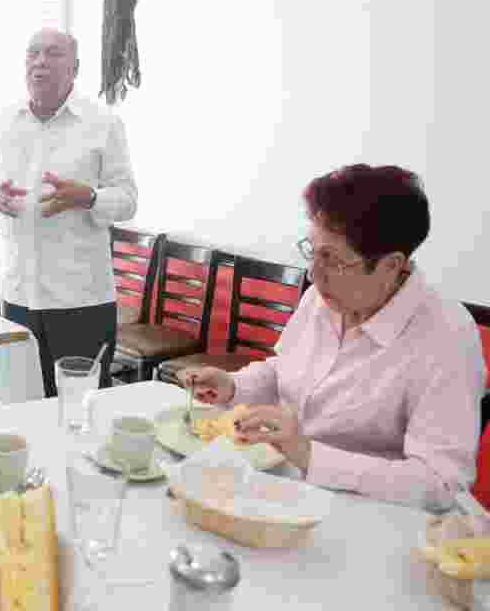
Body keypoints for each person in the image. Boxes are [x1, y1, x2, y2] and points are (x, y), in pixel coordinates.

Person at [179, 164, 486, 511]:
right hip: (283, 491)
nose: (313, 272)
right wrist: (234, 386)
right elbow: (286, 370)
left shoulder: (446, 337)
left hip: (372, 520)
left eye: (332, 259)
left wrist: (311, 456)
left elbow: (441, 485)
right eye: (313, 251)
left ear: (390, 265)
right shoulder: (323, 298)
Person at [0, 28, 138, 397]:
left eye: (53, 53)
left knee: (82, 408)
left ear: (74, 68)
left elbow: (127, 200)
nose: (40, 61)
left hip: (81, 301)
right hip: (18, 297)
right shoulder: (1, 123)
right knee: (24, 404)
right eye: (33, 53)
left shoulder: (103, 124)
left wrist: (88, 197)